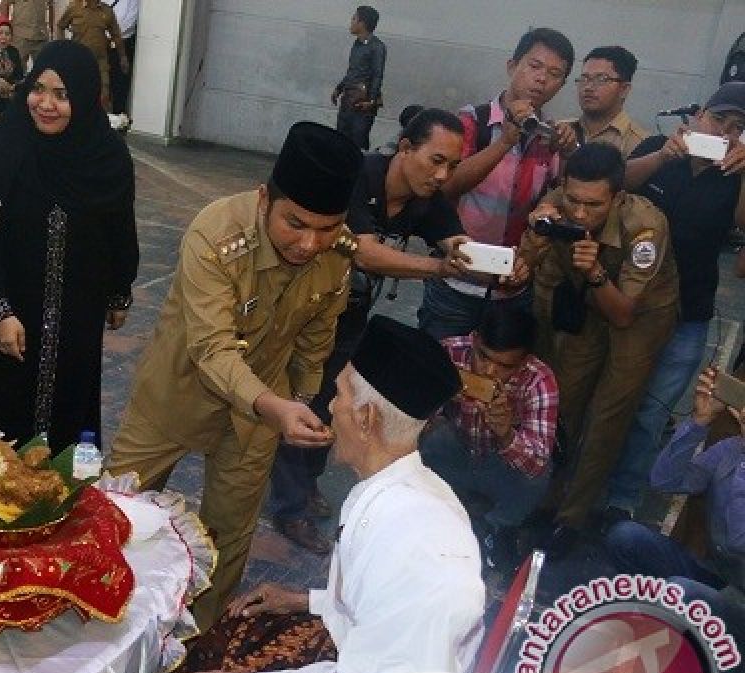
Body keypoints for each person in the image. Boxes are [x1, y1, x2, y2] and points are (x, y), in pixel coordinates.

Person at [108, 317, 483, 673]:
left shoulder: (410, 538)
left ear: (367, 419)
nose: (331, 404)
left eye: (342, 394)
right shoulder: (404, 493)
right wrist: (310, 601)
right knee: (229, 635)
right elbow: (377, 624)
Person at [106, 121, 361, 632]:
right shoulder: (215, 233)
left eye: (327, 228)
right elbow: (212, 348)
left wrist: (305, 401)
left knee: (227, 536)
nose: (310, 244)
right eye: (296, 224)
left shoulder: (338, 252)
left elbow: (315, 337)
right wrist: (275, 406)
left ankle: (195, 640)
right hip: (176, 395)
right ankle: (106, 623)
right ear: (265, 199)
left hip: (257, 417)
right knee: (118, 514)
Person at [267, 108, 473, 553]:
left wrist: (480, 258)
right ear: (404, 148)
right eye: (435, 160)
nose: (442, 175)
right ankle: (288, 507)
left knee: (334, 403)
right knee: (299, 400)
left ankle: (307, 486)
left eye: (452, 166)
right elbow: (364, 253)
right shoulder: (359, 176)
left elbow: (453, 237)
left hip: (350, 315)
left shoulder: (424, 198)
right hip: (306, 310)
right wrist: (439, 267)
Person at [0, 39, 136, 450]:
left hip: (75, 320)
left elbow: (120, 229)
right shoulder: (4, 147)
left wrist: (120, 291)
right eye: (39, 89)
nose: (45, 104)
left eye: (62, 95)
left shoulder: (108, 157)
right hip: (6, 317)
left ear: (85, 97)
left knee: (63, 426)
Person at [524, 143, 679, 544]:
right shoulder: (556, 205)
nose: (578, 213)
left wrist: (593, 270)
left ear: (618, 196)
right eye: (572, 199)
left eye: (593, 205)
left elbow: (625, 312)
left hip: (638, 316)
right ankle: (543, 500)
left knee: (607, 415)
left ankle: (571, 519)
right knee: (564, 402)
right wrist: (535, 230)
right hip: (586, 304)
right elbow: (525, 267)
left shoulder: (646, 226)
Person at [605, 83, 745, 519]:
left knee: (653, 410)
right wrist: (663, 156)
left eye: (738, 127)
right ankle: (582, 481)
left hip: (689, 309)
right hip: (629, 300)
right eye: (719, 119)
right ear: (699, 115)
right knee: (608, 396)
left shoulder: (736, 175)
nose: (725, 131)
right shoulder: (658, 147)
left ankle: (621, 499)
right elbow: (614, 187)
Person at [419, 27, 574, 341]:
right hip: (457, 279)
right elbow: (445, 187)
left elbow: (560, 202)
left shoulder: (553, 136)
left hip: (513, 290)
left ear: (562, 84)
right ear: (511, 66)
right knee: (435, 367)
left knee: (493, 380)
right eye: (535, 66)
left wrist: (568, 154)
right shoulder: (471, 120)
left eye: (555, 74)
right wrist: (504, 141)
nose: (542, 79)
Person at [605, 367, 743, 673]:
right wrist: (698, 424)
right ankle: (645, 629)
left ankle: (721, 665)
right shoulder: (732, 449)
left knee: (680, 590)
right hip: (722, 579)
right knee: (625, 537)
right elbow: (664, 480)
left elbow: (738, 539)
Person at [421, 303, 558, 571]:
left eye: (504, 366)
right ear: (474, 339)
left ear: (525, 361)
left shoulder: (539, 380)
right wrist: (434, 400)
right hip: (455, 448)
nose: (488, 372)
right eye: (483, 357)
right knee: (428, 441)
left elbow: (537, 463)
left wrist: (506, 434)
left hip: (500, 465)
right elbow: (404, 418)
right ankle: (437, 508)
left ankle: (500, 527)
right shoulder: (449, 352)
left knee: (539, 476)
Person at [561, 46, 648, 160]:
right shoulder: (562, 131)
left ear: (624, 89)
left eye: (601, 79)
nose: (588, 87)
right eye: (584, 79)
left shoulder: (640, 143)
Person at [330, 5, 385, 151]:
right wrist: (339, 88)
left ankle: (360, 171)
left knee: (358, 141)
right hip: (348, 99)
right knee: (341, 138)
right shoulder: (357, 44)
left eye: (354, 18)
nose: (351, 22)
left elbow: (377, 75)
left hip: (362, 103)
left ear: (362, 23)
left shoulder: (377, 47)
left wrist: (371, 100)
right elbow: (353, 71)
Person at [56, 0, 125, 110]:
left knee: (104, 96)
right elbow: (60, 26)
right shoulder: (74, 7)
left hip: (100, 62)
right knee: (76, 95)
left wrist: (123, 57)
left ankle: (100, 124)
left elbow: (116, 35)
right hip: (78, 61)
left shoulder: (107, 11)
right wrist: (63, 47)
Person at [0, 0, 52, 66]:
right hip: (19, 36)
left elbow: (50, 5)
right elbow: (4, 4)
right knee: (17, 70)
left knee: (43, 70)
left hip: (41, 36)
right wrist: (5, 26)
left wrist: (50, 28)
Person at [106, 0, 136, 114]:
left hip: (121, 45)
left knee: (119, 87)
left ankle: (117, 120)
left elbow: (128, 23)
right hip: (98, 44)